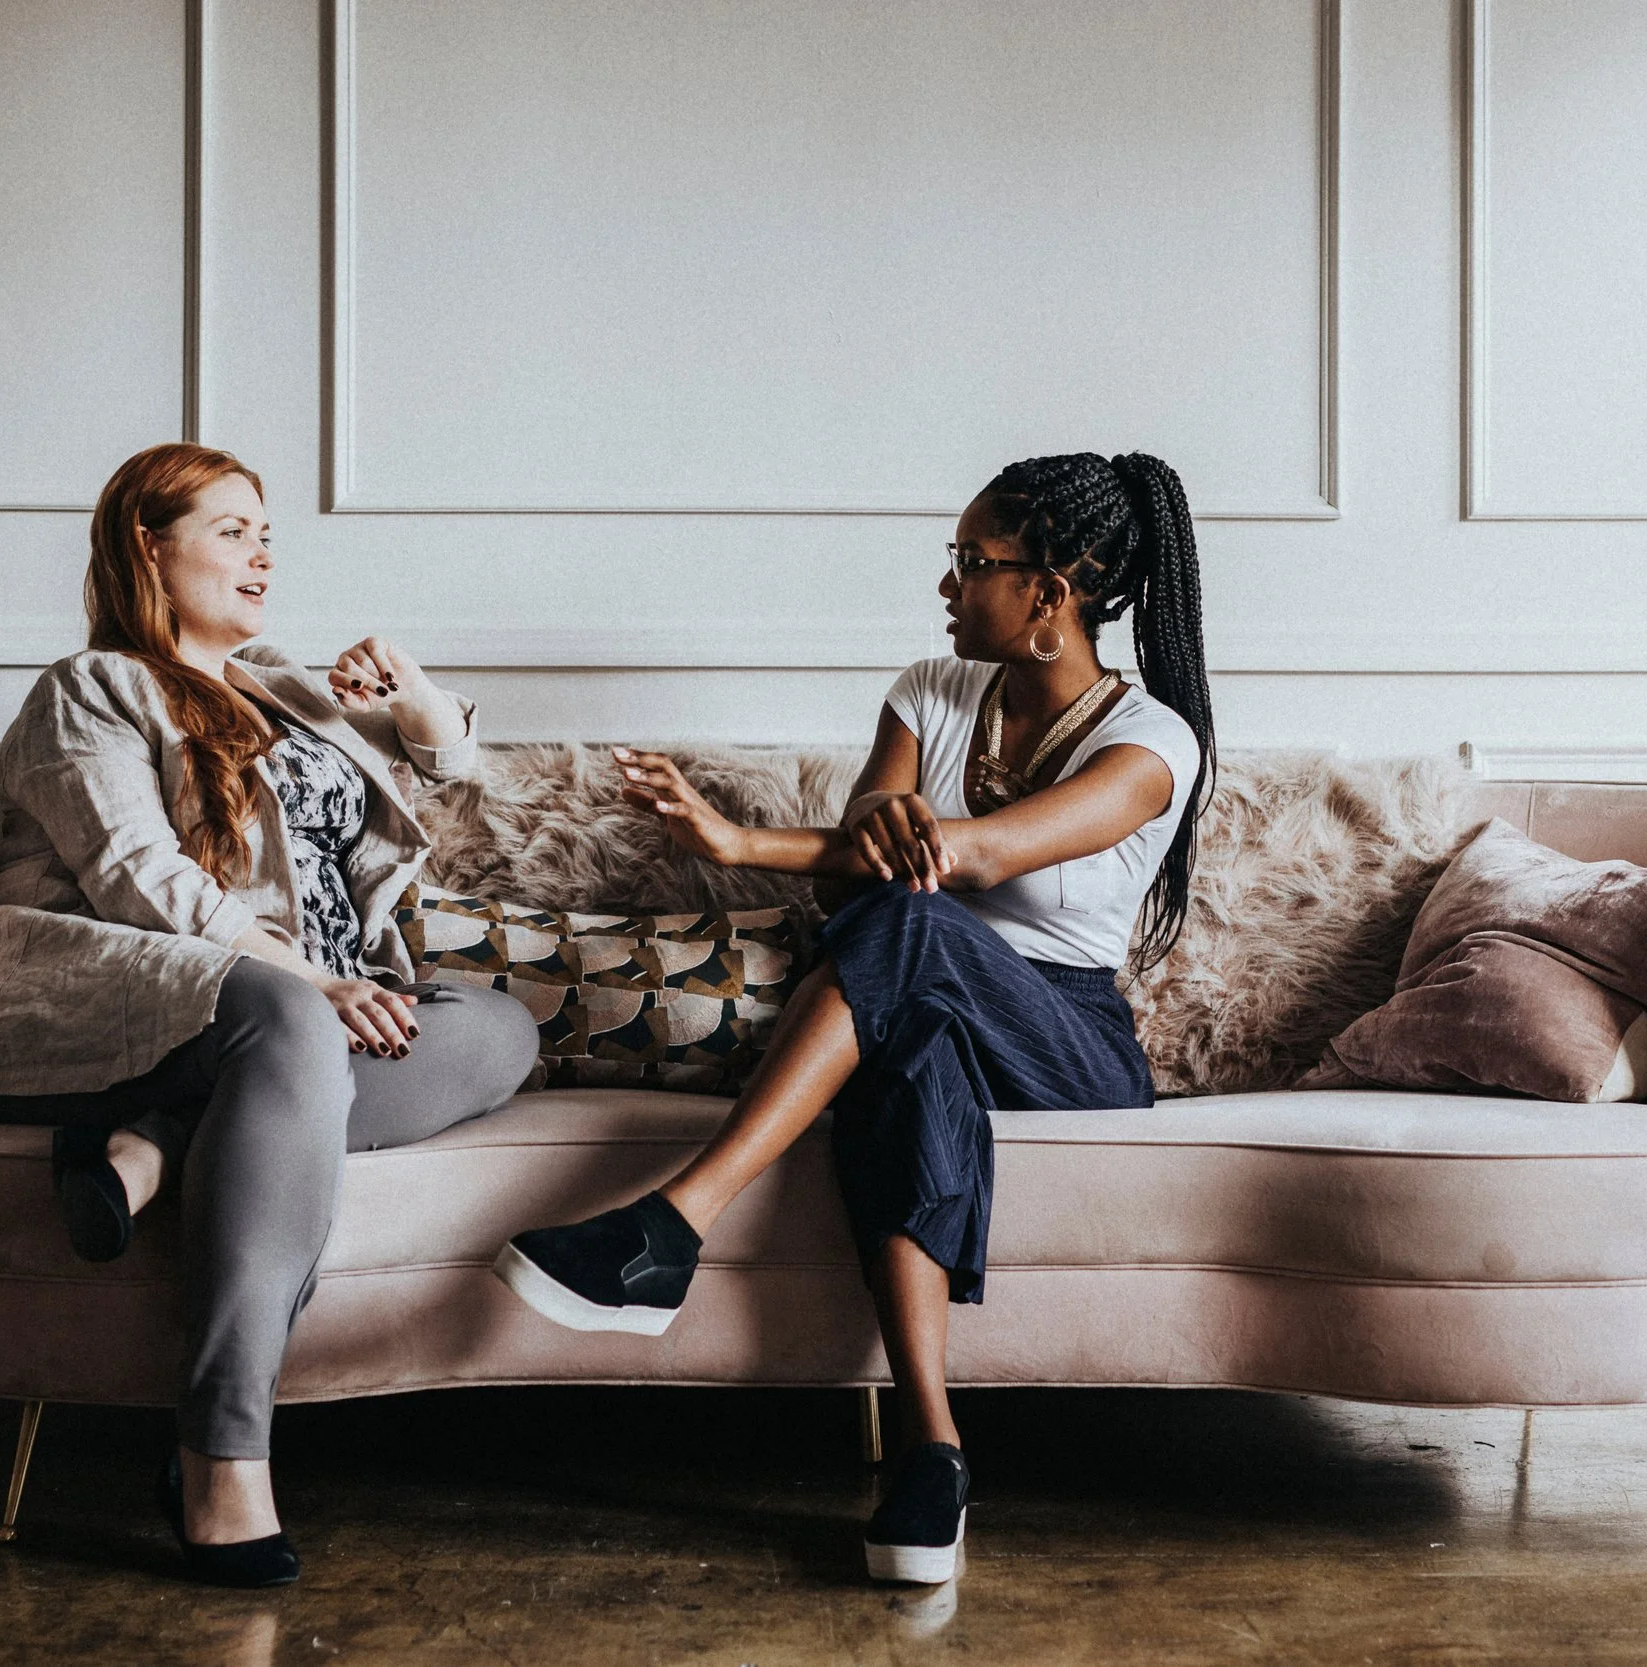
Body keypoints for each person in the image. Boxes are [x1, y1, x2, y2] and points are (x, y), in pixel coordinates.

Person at [493, 452, 1214, 1585]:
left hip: (1064, 1038)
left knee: (914, 914)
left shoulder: (1152, 745)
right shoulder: (931, 688)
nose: (947, 583)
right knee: (906, 1047)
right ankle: (931, 1451)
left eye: (975, 563)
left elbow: (960, 856)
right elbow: (869, 842)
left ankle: (677, 1218)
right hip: (925, 994)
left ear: (1048, 595)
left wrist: (757, 841)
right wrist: (828, 832)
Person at [0, 442, 540, 1587]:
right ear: (146, 548)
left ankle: (159, 1136)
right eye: (230, 528)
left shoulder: (280, 685)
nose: (262, 550)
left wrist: (414, 698)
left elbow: (456, 775)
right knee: (287, 1017)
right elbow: (136, 877)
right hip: (130, 985)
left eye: (268, 531)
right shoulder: (92, 687)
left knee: (496, 1029)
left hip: (294, 1012)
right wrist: (311, 984)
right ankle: (222, 1450)